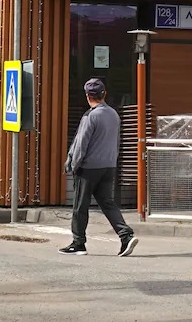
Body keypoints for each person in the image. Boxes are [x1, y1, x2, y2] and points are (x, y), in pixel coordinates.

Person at [59, 78, 139, 257]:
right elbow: (116, 141)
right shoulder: (113, 114)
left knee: (80, 206)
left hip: (89, 168)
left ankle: (78, 243)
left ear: (88, 96)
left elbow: (81, 143)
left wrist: (73, 164)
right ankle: (125, 235)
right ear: (104, 94)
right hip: (108, 165)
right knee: (107, 203)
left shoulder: (90, 116)